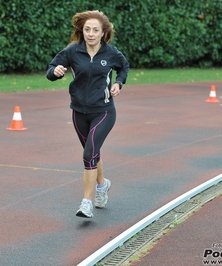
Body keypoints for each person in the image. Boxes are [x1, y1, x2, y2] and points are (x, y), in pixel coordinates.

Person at [46, 10, 130, 218]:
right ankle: (102, 186)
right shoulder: (73, 51)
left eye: (95, 30)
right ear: (82, 31)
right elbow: (51, 70)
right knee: (93, 152)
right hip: (78, 112)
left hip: (103, 111)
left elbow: (124, 67)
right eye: (87, 30)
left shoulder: (111, 53)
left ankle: (86, 203)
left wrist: (119, 83)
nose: (91, 34)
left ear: (103, 33)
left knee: (88, 153)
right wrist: (55, 72)